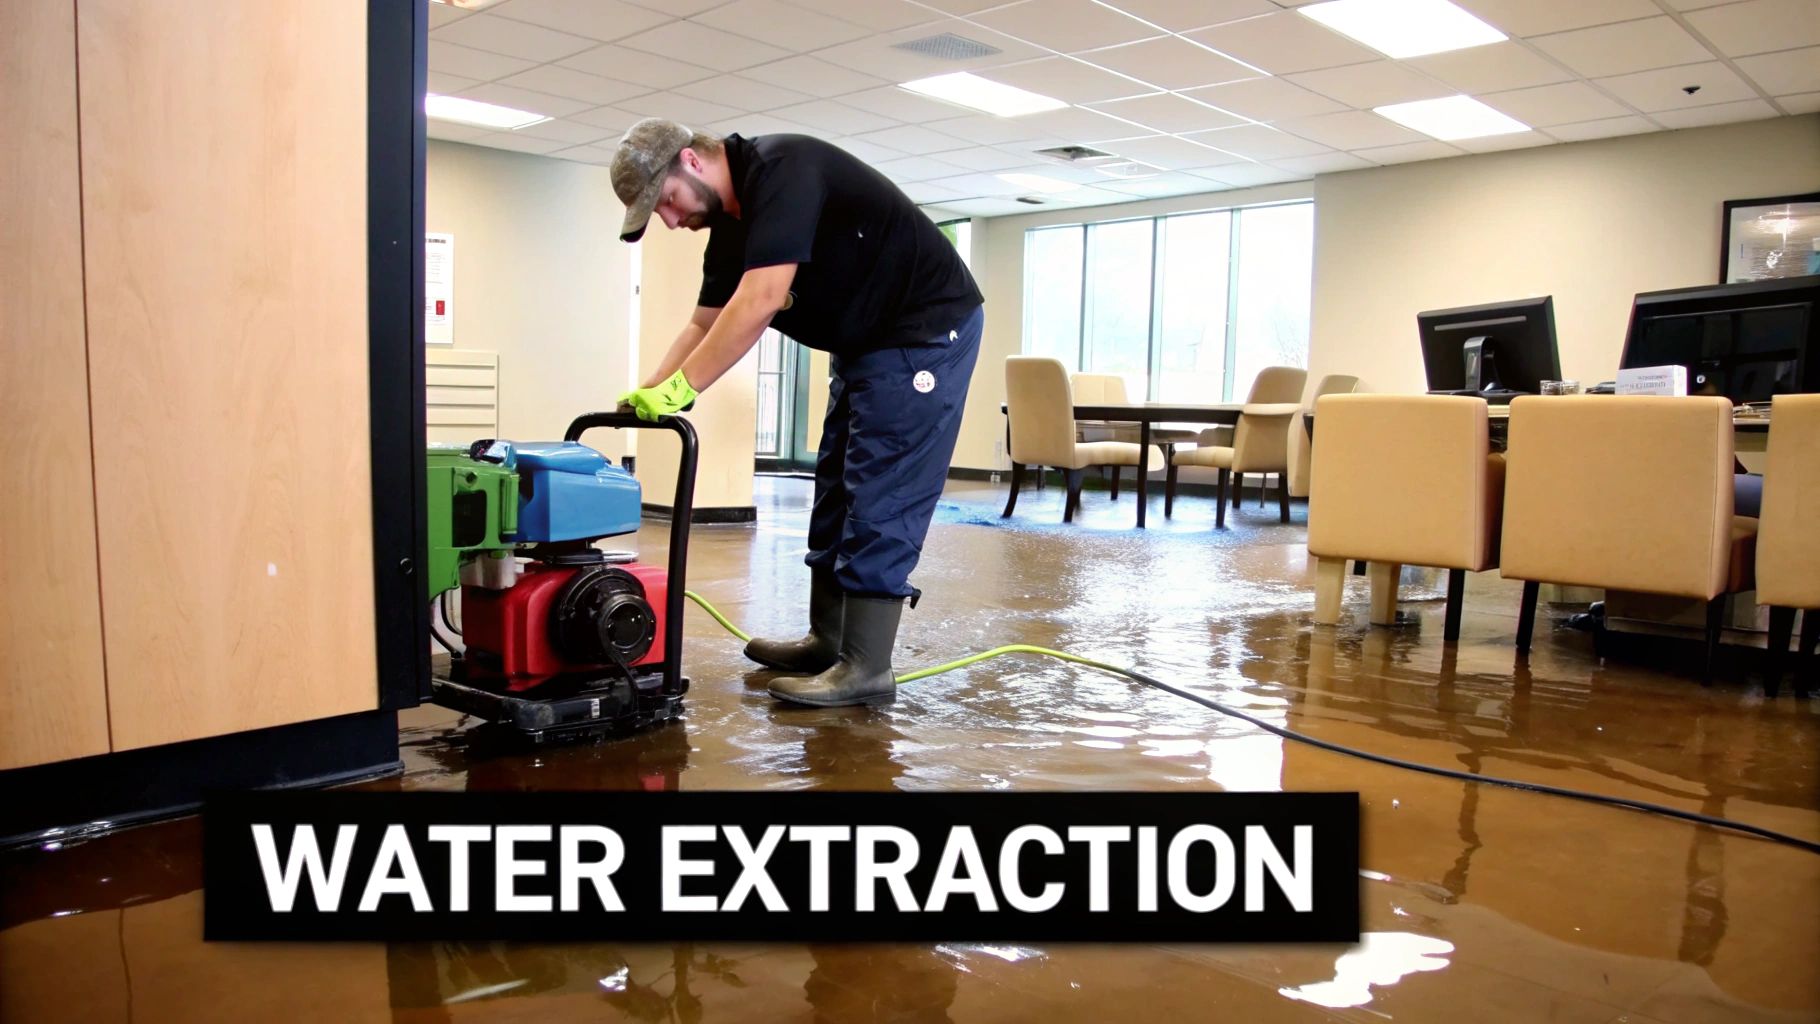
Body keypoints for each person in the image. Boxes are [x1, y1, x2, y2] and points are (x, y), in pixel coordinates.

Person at [611, 118, 983, 709]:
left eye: (668, 202)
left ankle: (866, 666)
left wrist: (684, 389)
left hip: (925, 332)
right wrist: (649, 390)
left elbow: (759, 302)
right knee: (835, 483)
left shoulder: (785, 170)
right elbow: (703, 323)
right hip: (865, 343)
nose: (672, 221)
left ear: (692, 162)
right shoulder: (731, 228)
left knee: (880, 488)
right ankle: (827, 640)